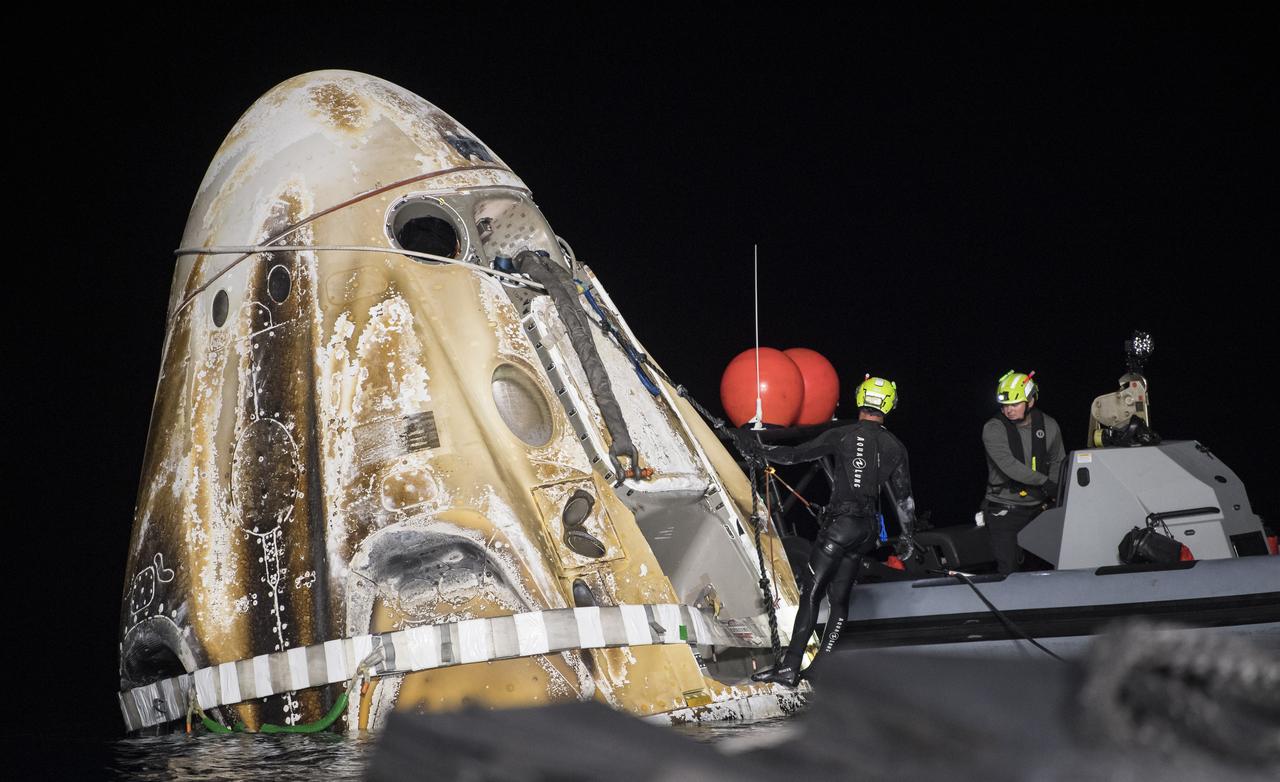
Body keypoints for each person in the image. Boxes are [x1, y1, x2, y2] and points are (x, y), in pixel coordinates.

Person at [740, 376, 920, 687]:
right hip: (866, 531)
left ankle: (790, 667)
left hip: (840, 526)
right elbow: (904, 498)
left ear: (859, 398)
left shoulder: (844, 435)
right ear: (889, 405)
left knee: (811, 593)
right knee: (840, 600)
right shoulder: (896, 447)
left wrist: (756, 449)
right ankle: (822, 666)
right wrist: (908, 537)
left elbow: (794, 455)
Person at [982, 370, 1066, 574]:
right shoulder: (993, 429)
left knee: (1046, 569)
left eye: (1014, 404)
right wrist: (1045, 482)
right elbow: (1009, 465)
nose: (1008, 410)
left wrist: (1057, 490)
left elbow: (1058, 461)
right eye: (1004, 405)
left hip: (1040, 509)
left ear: (1030, 401)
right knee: (1009, 571)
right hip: (1005, 510)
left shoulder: (1049, 425)